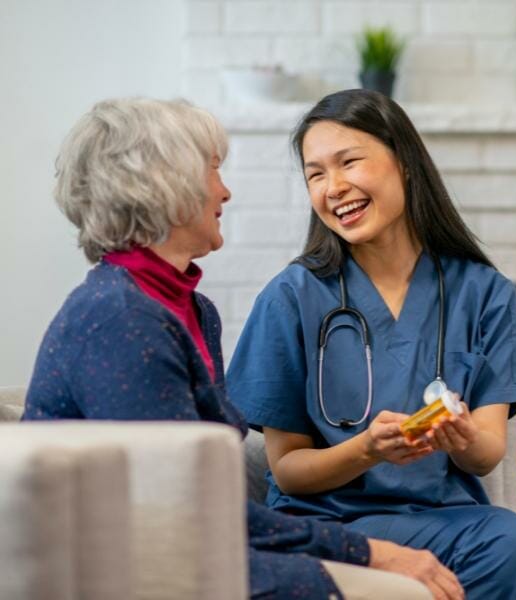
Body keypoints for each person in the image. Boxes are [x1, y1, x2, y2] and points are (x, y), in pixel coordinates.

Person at [22, 97, 463, 600]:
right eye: (213, 170)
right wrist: (369, 551)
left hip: (192, 543)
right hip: (129, 562)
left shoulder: (194, 310)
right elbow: (182, 502)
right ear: (167, 181)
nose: (225, 191)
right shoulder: (117, 316)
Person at [226, 89, 516, 599]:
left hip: (448, 522)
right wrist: (366, 450)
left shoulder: (484, 294)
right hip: (331, 524)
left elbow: (487, 453)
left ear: (404, 162)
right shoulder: (291, 298)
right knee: (500, 538)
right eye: (315, 174)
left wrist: (462, 436)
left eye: (349, 162)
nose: (333, 187)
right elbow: (289, 473)